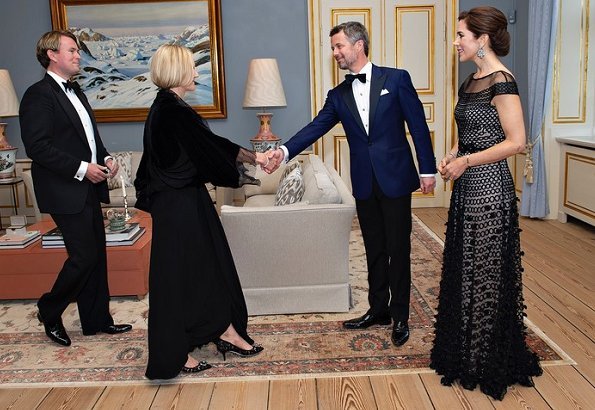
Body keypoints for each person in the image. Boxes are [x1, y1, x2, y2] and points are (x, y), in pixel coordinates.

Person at [265, 21, 436, 347]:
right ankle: (378, 309)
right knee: (374, 247)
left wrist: (427, 169)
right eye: (333, 47)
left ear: (359, 45)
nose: (335, 52)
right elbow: (315, 128)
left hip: (396, 178)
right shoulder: (338, 95)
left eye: (339, 46)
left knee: (398, 249)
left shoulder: (396, 79)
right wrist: (284, 151)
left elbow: (417, 125)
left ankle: (400, 315)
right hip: (364, 182)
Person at [429, 7, 542, 400]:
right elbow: (467, 133)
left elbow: (515, 142)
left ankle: (486, 358)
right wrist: (452, 155)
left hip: (490, 190)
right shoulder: (470, 81)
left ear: (483, 39)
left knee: (488, 272)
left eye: (462, 35)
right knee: (466, 267)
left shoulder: (503, 82)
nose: (456, 42)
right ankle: (466, 353)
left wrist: (467, 161)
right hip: (466, 188)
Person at [136, 44, 267, 379]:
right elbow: (211, 148)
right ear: (178, 71)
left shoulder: (169, 106)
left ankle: (223, 330)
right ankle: (175, 352)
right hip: (178, 206)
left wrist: (249, 158)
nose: (196, 72)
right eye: (191, 67)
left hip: (185, 201)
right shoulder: (171, 109)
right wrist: (254, 157)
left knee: (205, 268)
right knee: (180, 277)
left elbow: (205, 147)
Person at [19, 30, 132, 347]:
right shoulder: (38, 95)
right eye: (71, 50)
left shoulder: (77, 91)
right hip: (63, 190)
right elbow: (38, 148)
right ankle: (49, 309)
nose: (78, 55)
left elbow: (89, 138)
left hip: (87, 189)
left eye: (78, 51)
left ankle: (97, 321)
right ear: (52, 54)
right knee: (84, 257)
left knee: (96, 255)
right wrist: (83, 169)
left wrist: (105, 157)